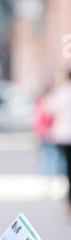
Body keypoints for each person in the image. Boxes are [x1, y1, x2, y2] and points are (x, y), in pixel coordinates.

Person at [46, 70, 71, 213]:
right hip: (64, 135)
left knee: (67, 168)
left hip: (63, 136)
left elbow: (49, 109)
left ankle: (69, 202)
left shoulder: (61, 91)